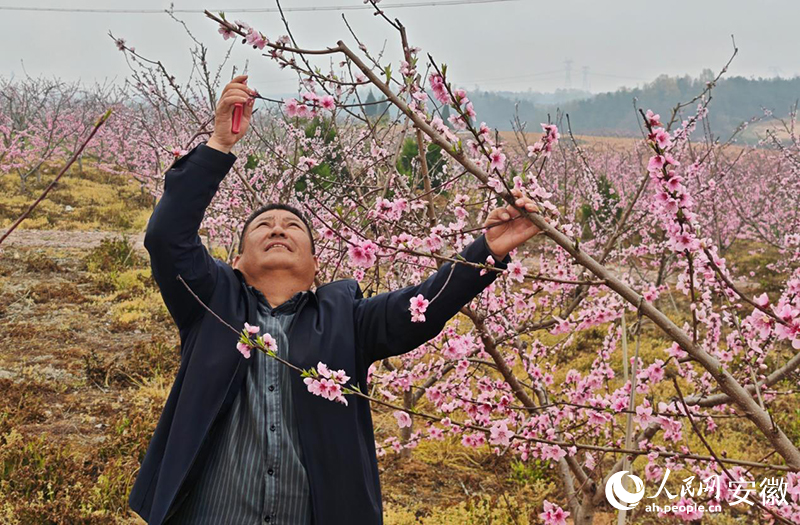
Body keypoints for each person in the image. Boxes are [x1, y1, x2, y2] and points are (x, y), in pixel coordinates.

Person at [128, 75, 543, 525]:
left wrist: (487, 250)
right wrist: (219, 145)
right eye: (263, 225)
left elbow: (423, 305)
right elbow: (167, 237)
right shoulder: (209, 301)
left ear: (314, 267)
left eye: (293, 226)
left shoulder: (348, 318)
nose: (278, 228)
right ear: (237, 260)